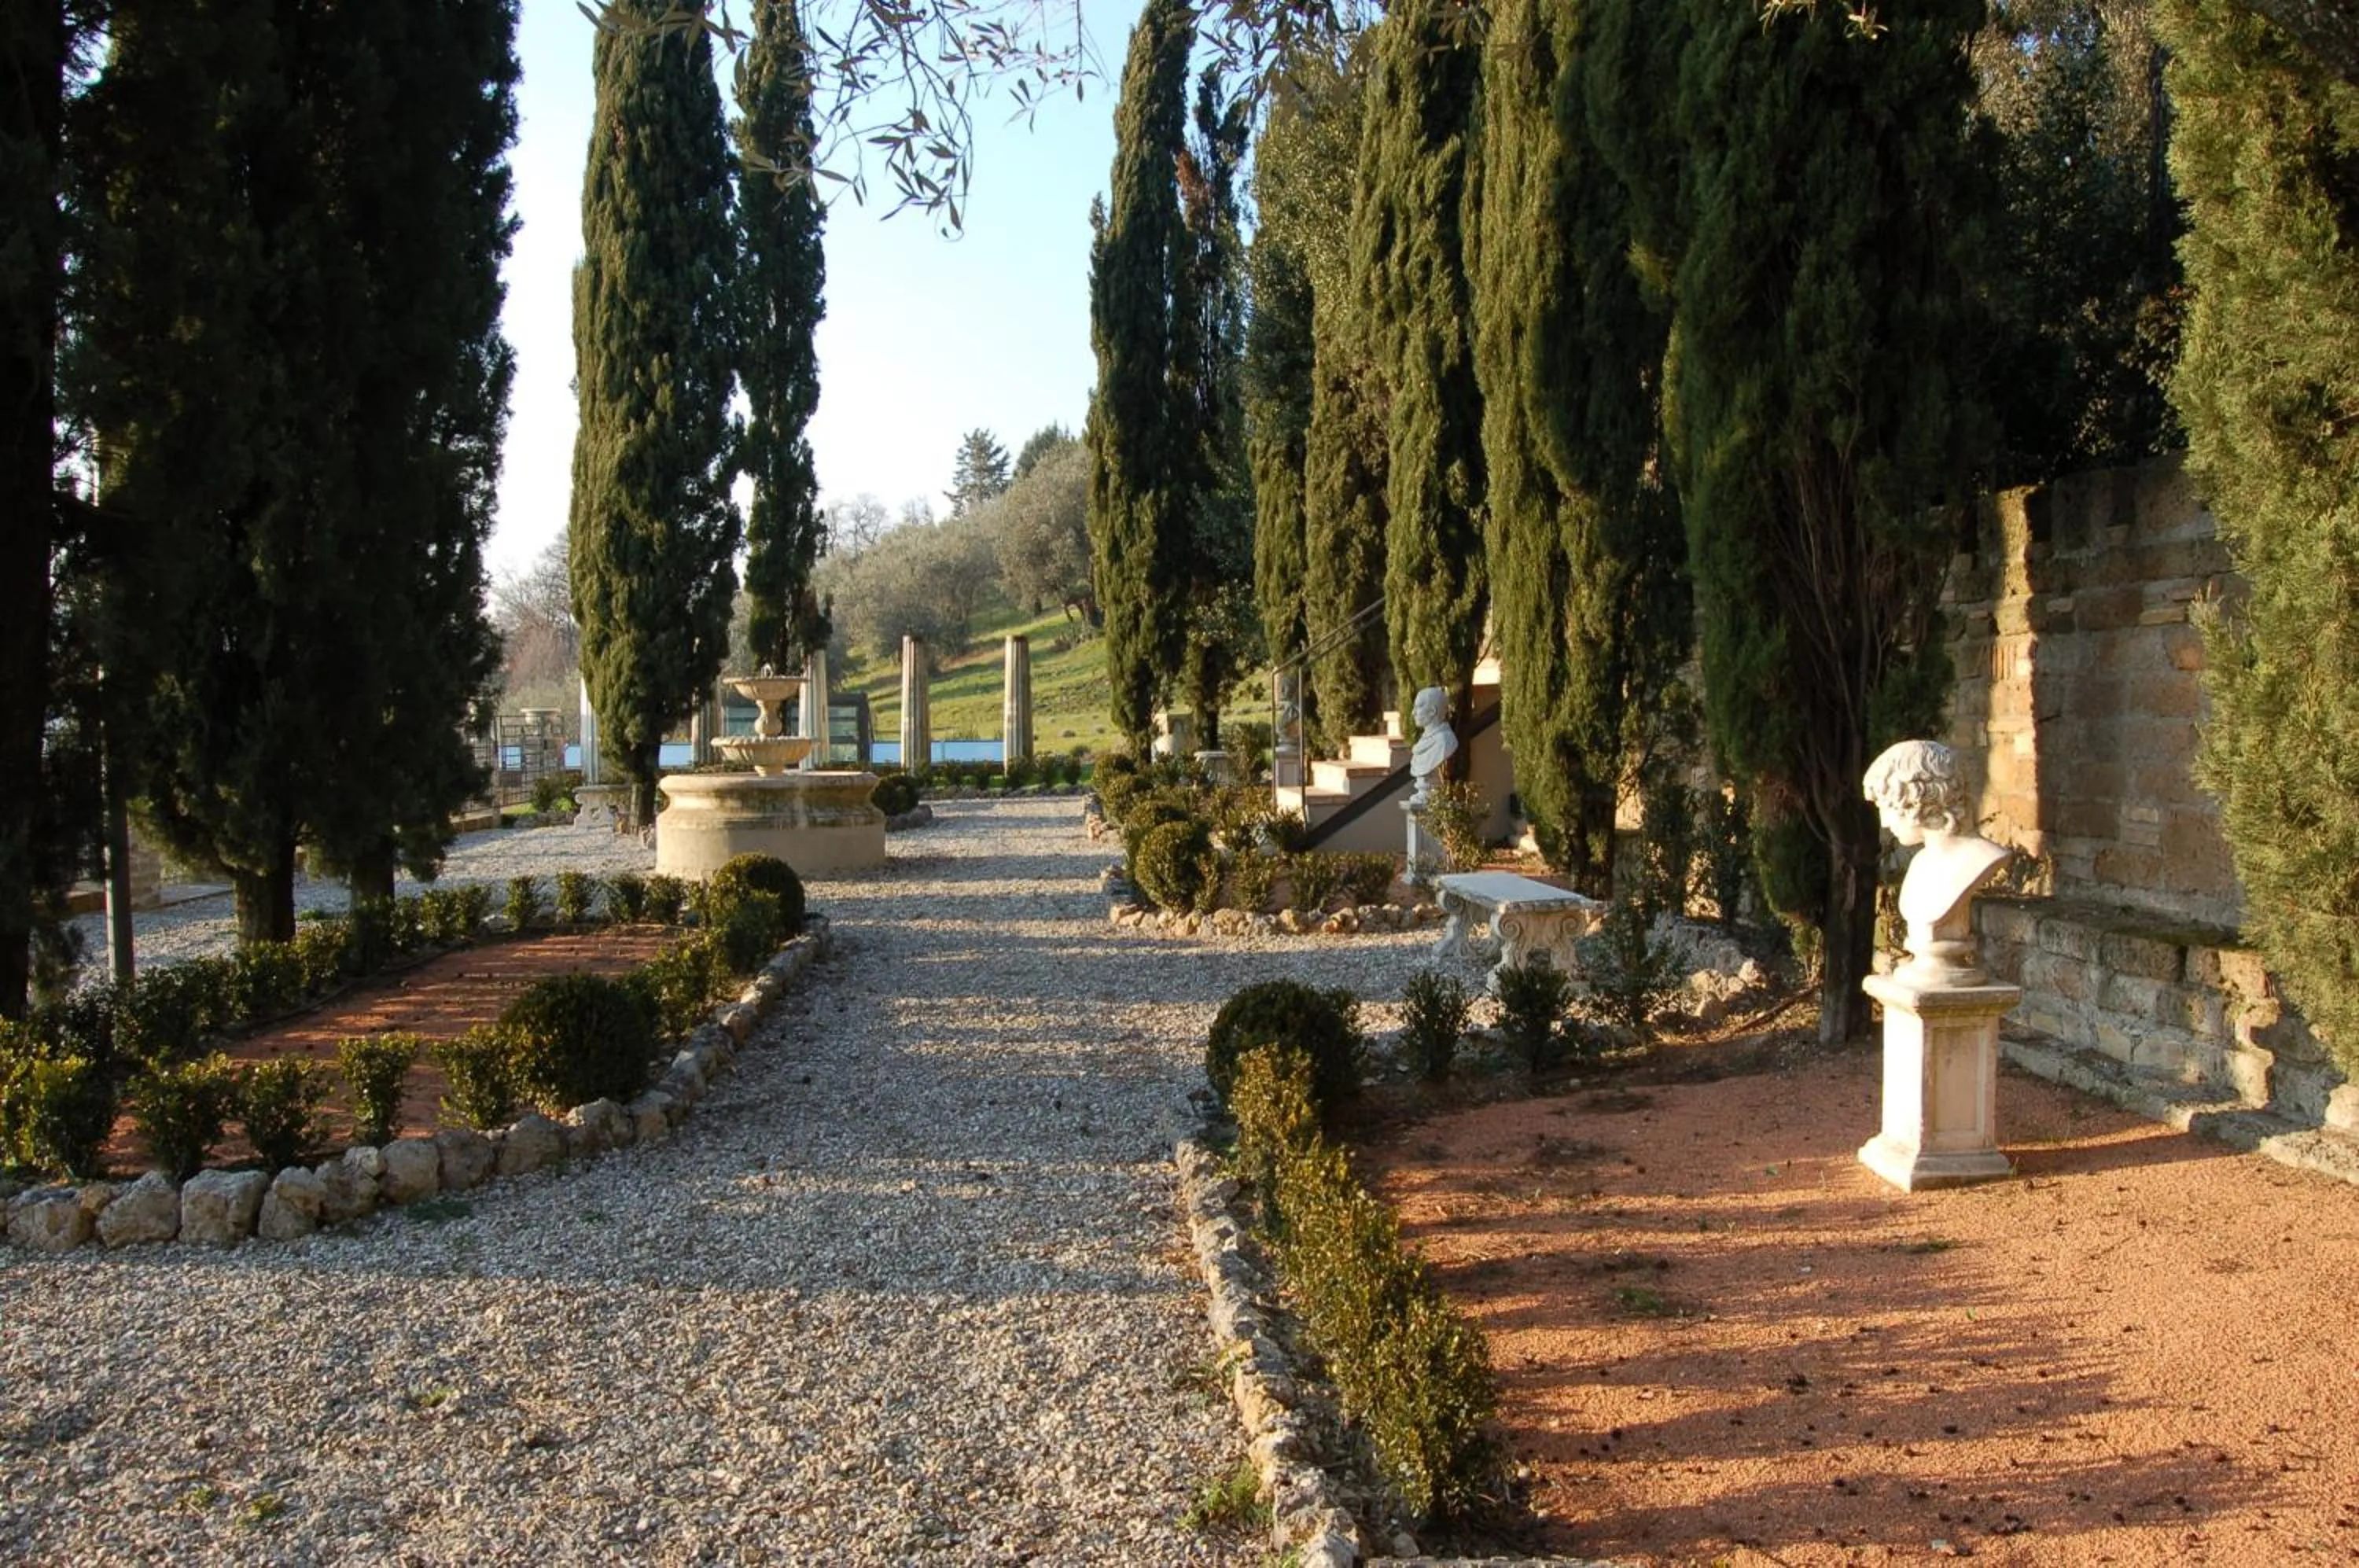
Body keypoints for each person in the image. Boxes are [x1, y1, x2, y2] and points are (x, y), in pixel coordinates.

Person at [1862, 738, 2012, 983]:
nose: (1884, 823)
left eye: (1888, 807)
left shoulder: (1980, 858)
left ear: (1920, 800)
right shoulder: (1920, 863)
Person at [1408, 686, 1457, 805]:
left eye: (1419, 707)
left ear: (1432, 711)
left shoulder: (1445, 740)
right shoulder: (1422, 742)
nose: (1413, 712)